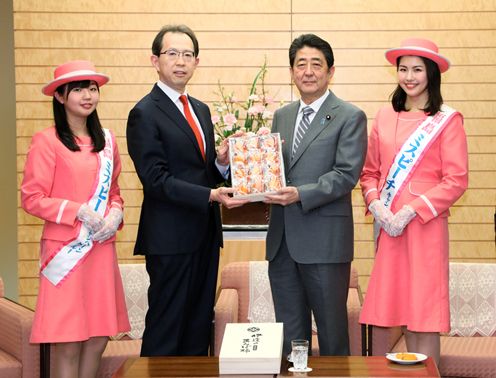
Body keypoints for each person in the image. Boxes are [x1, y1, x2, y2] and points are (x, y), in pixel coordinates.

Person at [126, 24, 247, 356]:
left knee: (197, 327)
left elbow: (203, 171)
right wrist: (209, 195)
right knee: (167, 327)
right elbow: (155, 179)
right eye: (172, 54)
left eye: (188, 55)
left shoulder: (201, 109)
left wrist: (222, 164)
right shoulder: (144, 113)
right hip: (170, 238)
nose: (180, 61)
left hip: (205, 235)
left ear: (196, 61)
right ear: (155, 60)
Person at [359, 38, 468, 366]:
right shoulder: (384, 116)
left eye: (417, 69)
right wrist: (376, 204)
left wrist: (412, 209)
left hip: (425, 229)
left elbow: (456, 179)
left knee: (424, 314)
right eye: (403, 69)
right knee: (393, 311)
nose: (409, 76)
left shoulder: (448, 120)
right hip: (389, 229)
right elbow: (369, 173)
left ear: (431, 74)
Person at [21, 60, 130, 377]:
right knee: (68, 341)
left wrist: (116, 212)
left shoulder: (107, 142)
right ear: (60, 96)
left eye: (92, 88)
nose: (88, 96)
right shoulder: (47, 141)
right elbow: (32, 198)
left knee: (98, 338)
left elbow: (115, 192)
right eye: (79, 89)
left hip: (99, 249)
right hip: (65, 254)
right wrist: (77, 210)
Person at [264, 34, 368, 356]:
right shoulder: (282, 115)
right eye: (300, 64)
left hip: (325, 243)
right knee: (290, 336)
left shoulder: (349, 116)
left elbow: (345, 174)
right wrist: (240, 161)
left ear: (330, 71)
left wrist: (300, 194)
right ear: (292, 71)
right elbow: (273, 169)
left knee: (332, 332)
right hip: (282, 243)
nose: (308, 71)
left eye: (316, 64)